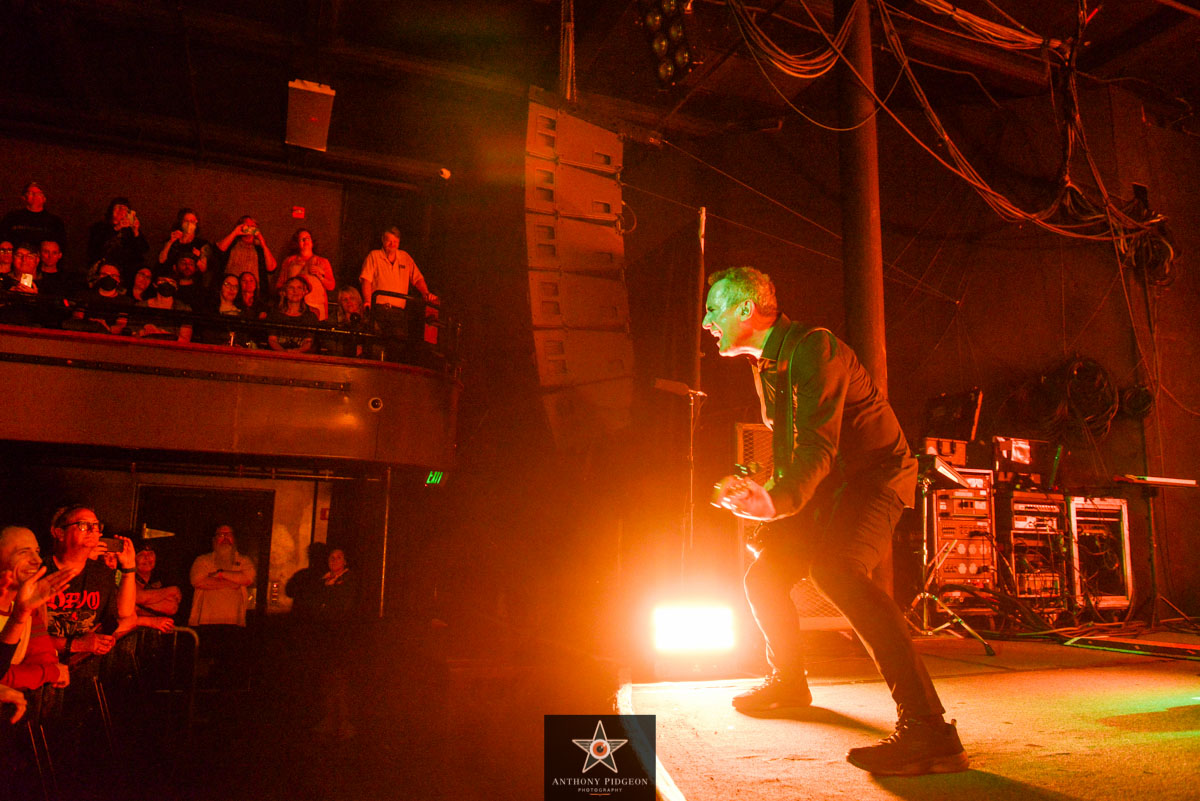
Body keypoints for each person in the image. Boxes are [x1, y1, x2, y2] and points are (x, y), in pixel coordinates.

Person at [704, 266, 967, 776]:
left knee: (838, 570)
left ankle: (930, 730)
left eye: (715, 308)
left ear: (745, 309)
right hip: (833, 485)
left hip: (876, 478)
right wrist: (755, 484)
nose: (706, 320)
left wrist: (778, 501)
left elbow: (820, 445)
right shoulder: (768, 366)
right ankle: (789, 683)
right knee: (764, 575)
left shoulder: (813, 348)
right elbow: (796, 449)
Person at [43, 505, 138, 664]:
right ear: (59, 533)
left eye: (95, 526)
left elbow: (124, 613)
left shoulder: (101, 573)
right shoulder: (40, 570)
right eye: (83, 525)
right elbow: (24, 635)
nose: (92, 530)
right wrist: (77, 645)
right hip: (40, 663)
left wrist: (129, 569)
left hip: (81, 667)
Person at [0, 526, 77, 692]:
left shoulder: (27, 606)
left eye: (36, 551)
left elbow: (45, 657)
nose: (37, 560)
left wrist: (48, 670)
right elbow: (4, 676)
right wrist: (48, 673)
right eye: (23, 552)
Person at [188, 525, 255, 627]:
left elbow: (248, 579)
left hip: (235, 622)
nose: (225, 538)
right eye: (221, 535)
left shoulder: (244, 561)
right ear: (214, 539)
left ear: (234, 539)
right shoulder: (202, 560)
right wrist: (232, 582)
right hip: (205, 621)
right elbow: (197, 581)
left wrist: (220, 573)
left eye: (229, 534)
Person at [358, 226, 435, 311]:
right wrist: (367, 301)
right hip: (378, 308)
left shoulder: (405, 257)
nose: (392, 244)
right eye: (389, 241)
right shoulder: (374, 256)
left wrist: (425, 293)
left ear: (399, 242)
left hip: (399, 311)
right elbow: (366, 280)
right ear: (383, 240)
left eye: (395, 241)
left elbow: (417, 278)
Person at [276, 228, 335, 320]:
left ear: (312, 242)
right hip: (294, 307)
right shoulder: (289, 261)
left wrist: (320, 276)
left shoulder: (323, 262)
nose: (305, 241)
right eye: (302, 239)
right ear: (297, 243)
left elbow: (331, 286)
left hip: (316, 304)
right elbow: (280, 285)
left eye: (308, 238)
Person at [86, 197, 148, 283]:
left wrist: (136, 231)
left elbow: (143, 250)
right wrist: (117, 228)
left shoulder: (129, 231)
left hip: (123, 275)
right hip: (101, 272)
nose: (121, 211)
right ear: (111, 210)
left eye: (125, 209)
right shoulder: (100, 227)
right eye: (118, 207)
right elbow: (96, 246)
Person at [67, 261, 133, 335]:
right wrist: (91, 324)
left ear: (119, 279)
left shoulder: (125, 301)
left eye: (113, 275)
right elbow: (77, 319)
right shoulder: (84, 296)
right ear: (98, 276)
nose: (108, 278)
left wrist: (105, 327)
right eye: (104, 274)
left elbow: (121, 325)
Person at [0, 181, 66, 252]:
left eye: (39, 193)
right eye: (31, 193)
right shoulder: (11, 218)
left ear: (44, 198)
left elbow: (60, 247)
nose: (35, 196)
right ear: (24, 197)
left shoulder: (55, 222)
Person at [216, 216, 277, 287]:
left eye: (253, 226)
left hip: (252, 290)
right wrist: (235, 233)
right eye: (247, 226)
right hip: (232, 287)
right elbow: (218, 251)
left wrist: (262, 242)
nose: (250, 229)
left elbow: (271, 268)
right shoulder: (232, 244)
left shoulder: (259, 249)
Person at [266, 276, 318, 353]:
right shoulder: (275, 314)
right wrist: (284, 353)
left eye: (299, 288)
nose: (295, 291)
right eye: (291, 288)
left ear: (304, 292)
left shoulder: (310, 317)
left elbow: (308, 342)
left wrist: (296, 352)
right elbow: (272, 340)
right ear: (284, 292)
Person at [157, 208, 211, 282]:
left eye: (192, 221)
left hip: (192, 282)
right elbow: (161, 260)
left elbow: (203, 269)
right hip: (171, 280)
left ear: (196, 223)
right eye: (186, 221)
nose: (189, 224)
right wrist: (170, 242)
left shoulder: (202, 244)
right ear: (181, 222)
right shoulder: (172, 241)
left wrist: (197, 258)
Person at [133, 276, 193, 342]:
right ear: (155, 284)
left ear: (176, 287)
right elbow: (132, 336)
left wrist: (156, 332)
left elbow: (185, 340)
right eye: (163, 280)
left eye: (172, 282)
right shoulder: (141, 306)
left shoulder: (183, 309)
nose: (167, 284)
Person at [133, 547, 182, 621]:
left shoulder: (162, 575)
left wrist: (138, 606)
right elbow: (139, 597)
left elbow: (172, 607)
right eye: (141, 555)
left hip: (160, 628)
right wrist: (171, 590)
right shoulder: (126, 576)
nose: (147, 558)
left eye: (151, 553)